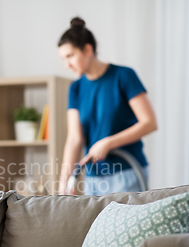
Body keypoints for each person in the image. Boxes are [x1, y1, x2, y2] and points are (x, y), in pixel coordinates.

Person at [57, 17, 157, 195]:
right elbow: (74, 139)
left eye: (70, 56)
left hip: (127, 173)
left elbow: (149, 122)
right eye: (63, 59)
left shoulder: (124, 76)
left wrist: (108, 143)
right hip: (93, 179)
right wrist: (65, 182)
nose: (67, 65)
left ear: (87, 50)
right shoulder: (76, 88)